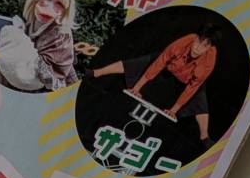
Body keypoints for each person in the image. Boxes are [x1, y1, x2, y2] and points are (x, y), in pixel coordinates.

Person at [90, 24, 221, 146]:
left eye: (204, 46)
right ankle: (96, 73)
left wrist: (173, 110)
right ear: (195, 38)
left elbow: (193, 87)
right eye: (197, 41)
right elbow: (160, 63)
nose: (197, 47)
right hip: (169, 66)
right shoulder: (183, 43)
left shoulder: (208, 61)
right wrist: (136, 88)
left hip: (185, 79)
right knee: (140, 62)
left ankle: (204, 137)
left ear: (209, 48)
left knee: (200, 94)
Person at [0, 0, 79, 92]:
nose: (49, 7)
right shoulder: (28, 24)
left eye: (59, 4)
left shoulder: (61, 34)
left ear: (64, 11)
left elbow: (43, 77)